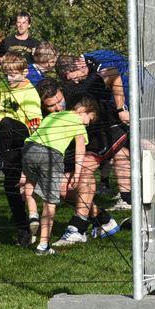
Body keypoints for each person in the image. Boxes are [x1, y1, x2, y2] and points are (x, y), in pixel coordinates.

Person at [23, 96, 119, 254]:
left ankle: (33, 215)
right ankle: (43, 245)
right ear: (83, 110)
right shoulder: (78, 123)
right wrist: (77, 173)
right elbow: (80, 151)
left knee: (29, 184)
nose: (87, 124)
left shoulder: (53, 116)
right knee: (50, 201)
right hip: (51, 156)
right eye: (89, 120)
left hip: (28, 149)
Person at [58, 53, 133, 212]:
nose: (72, 80)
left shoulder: (93, 79)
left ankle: (126, 199)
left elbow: (113, 72)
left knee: (116, 156)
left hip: (110, 127)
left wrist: (121, 109)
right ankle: (100, 213)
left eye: (69, 75)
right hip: (90, 133)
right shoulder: (69, 87)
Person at [0, 52, 44, 246]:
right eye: (6, 74)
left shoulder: (30, 92)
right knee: (11, 185)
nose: (9, 78)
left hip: (24, 138)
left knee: (7, 122)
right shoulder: (3, 85)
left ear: (24, 72)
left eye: (12, 75)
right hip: (7, 142)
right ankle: (23, 229)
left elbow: (35, 124)